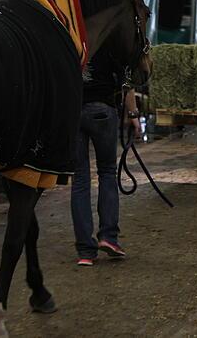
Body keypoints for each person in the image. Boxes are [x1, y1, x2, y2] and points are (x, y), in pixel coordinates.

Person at [71, 49, 140, 266]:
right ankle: (108, 238)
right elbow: (126, 84)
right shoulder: (110, 42)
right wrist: (134, 115)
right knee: (107, 172)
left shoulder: (71, 40)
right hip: (102, 109)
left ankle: (85, 251)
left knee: (80, 179)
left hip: (73, 112)